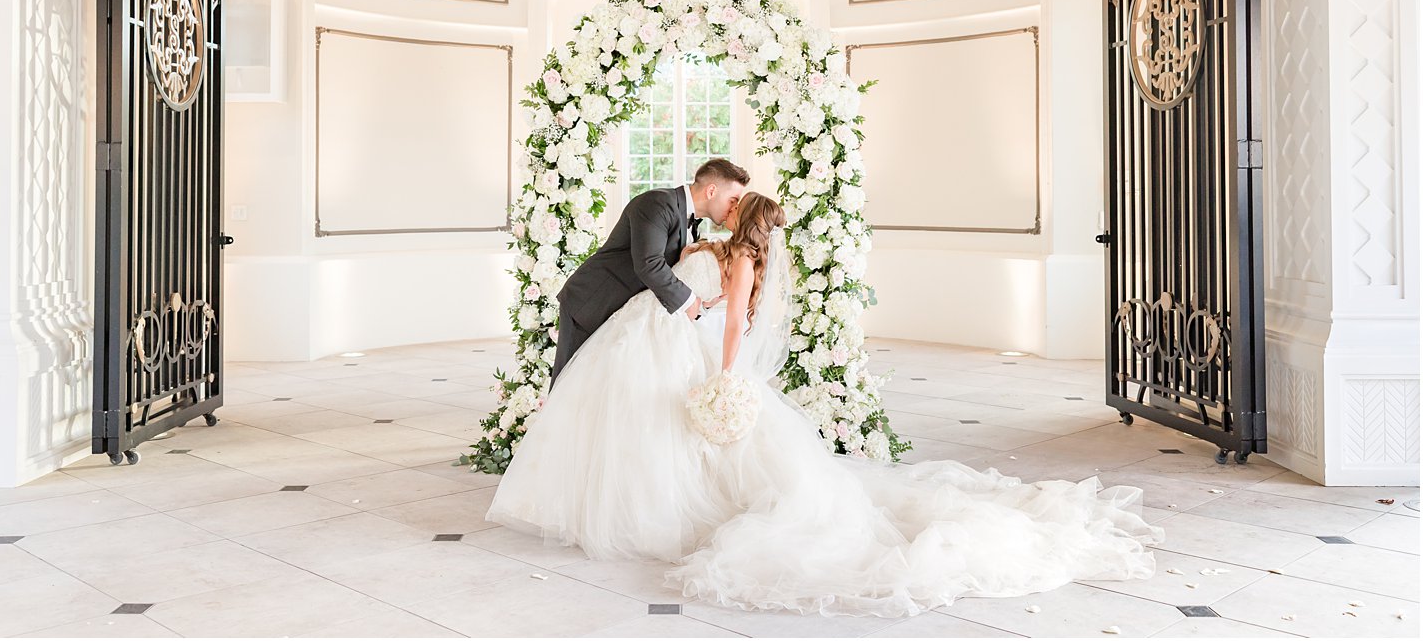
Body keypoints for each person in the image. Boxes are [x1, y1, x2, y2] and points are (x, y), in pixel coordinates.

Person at [488, 191, 1166, 618]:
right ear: (766, 231)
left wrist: (727, 378)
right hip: (682, 352)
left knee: (712, 455)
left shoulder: (712, 248)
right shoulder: (730, 255)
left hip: (679, 351)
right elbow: (728, 324)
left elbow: (715, 310)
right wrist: (727, 373)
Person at [548, 158, 748, 383]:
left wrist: (702, 304)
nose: (734, 208)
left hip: (624, 316)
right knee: (570, 387)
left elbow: (676, 275)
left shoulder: (691, 223)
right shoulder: (658, 203)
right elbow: (649, 263)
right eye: (733, 199)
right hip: (594, 303)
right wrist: (690, 301)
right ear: (712, 191)